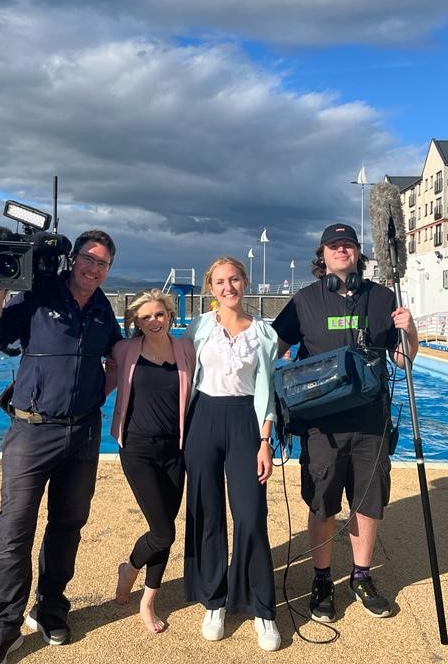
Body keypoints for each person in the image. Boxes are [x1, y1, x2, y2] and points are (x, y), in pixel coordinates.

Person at [0, 230, 122, 664]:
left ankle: (51, 608)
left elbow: (118, 353)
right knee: (14, 528)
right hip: (32, 431)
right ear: (73, 259)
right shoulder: (39, 295)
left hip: (83, 433)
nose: (93, 268)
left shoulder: (101, 308)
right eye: (88, 259)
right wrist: (0, 286)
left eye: (103, 263)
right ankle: (4, 626)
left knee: (68, 524)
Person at [272, 223, 418, 622]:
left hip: (371, 422)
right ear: (322, 255)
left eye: (348, 245)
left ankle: (361, 576)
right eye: (333, 246)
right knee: (322, 503)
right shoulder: (304, 301)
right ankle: (321, 578)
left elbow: (403, 361)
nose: (341, 250)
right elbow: (274, 348)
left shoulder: (383, 298)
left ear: (358, 253)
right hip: (323, 426)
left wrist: (410, 331)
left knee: (367, 503)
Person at [182, 256, 282, 652]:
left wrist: (265, 441)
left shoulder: (264, 334)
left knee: (251, 515)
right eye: (220, 281)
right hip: (204, 419)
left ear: (245, 282)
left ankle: (261, 607)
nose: (228, 287)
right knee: (207, 513)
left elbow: (267, 390)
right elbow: (183, 374)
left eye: (234, 279)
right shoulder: (199, 327)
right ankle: (214, 599)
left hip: (246, 423)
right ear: (211, 288)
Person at [107, 289, 196, 633]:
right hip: (138, 449)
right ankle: (130, 568)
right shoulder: (125, 350)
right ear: (135, 322)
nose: (153, 321)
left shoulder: (185, 350)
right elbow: (101, 384)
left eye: (159, 314)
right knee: (163, 531)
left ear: (170, 315)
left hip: (176, 451)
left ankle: (147, 601)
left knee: (165, 532)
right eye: (145, 317)